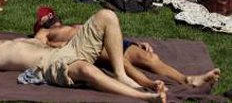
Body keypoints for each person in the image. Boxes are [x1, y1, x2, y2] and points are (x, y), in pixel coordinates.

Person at [0, 0, 165, 102]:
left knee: (107, 15)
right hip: (50, 64)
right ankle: (144, 96)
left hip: (67, 51)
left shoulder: (11, 43)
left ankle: (121, 74)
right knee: (86, 70)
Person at [33, 6, 220, 90]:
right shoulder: (45, 33)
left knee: (149, 58)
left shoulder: (72, 25)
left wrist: (134, 41)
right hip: (91, 48)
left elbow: (109, 29)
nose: (49, 17)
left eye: (51, 14)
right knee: (123, 64)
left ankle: (187, 79)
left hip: (108, 40)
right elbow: (37, 47)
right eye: (45, 17)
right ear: (41, 23)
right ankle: (147, 85)